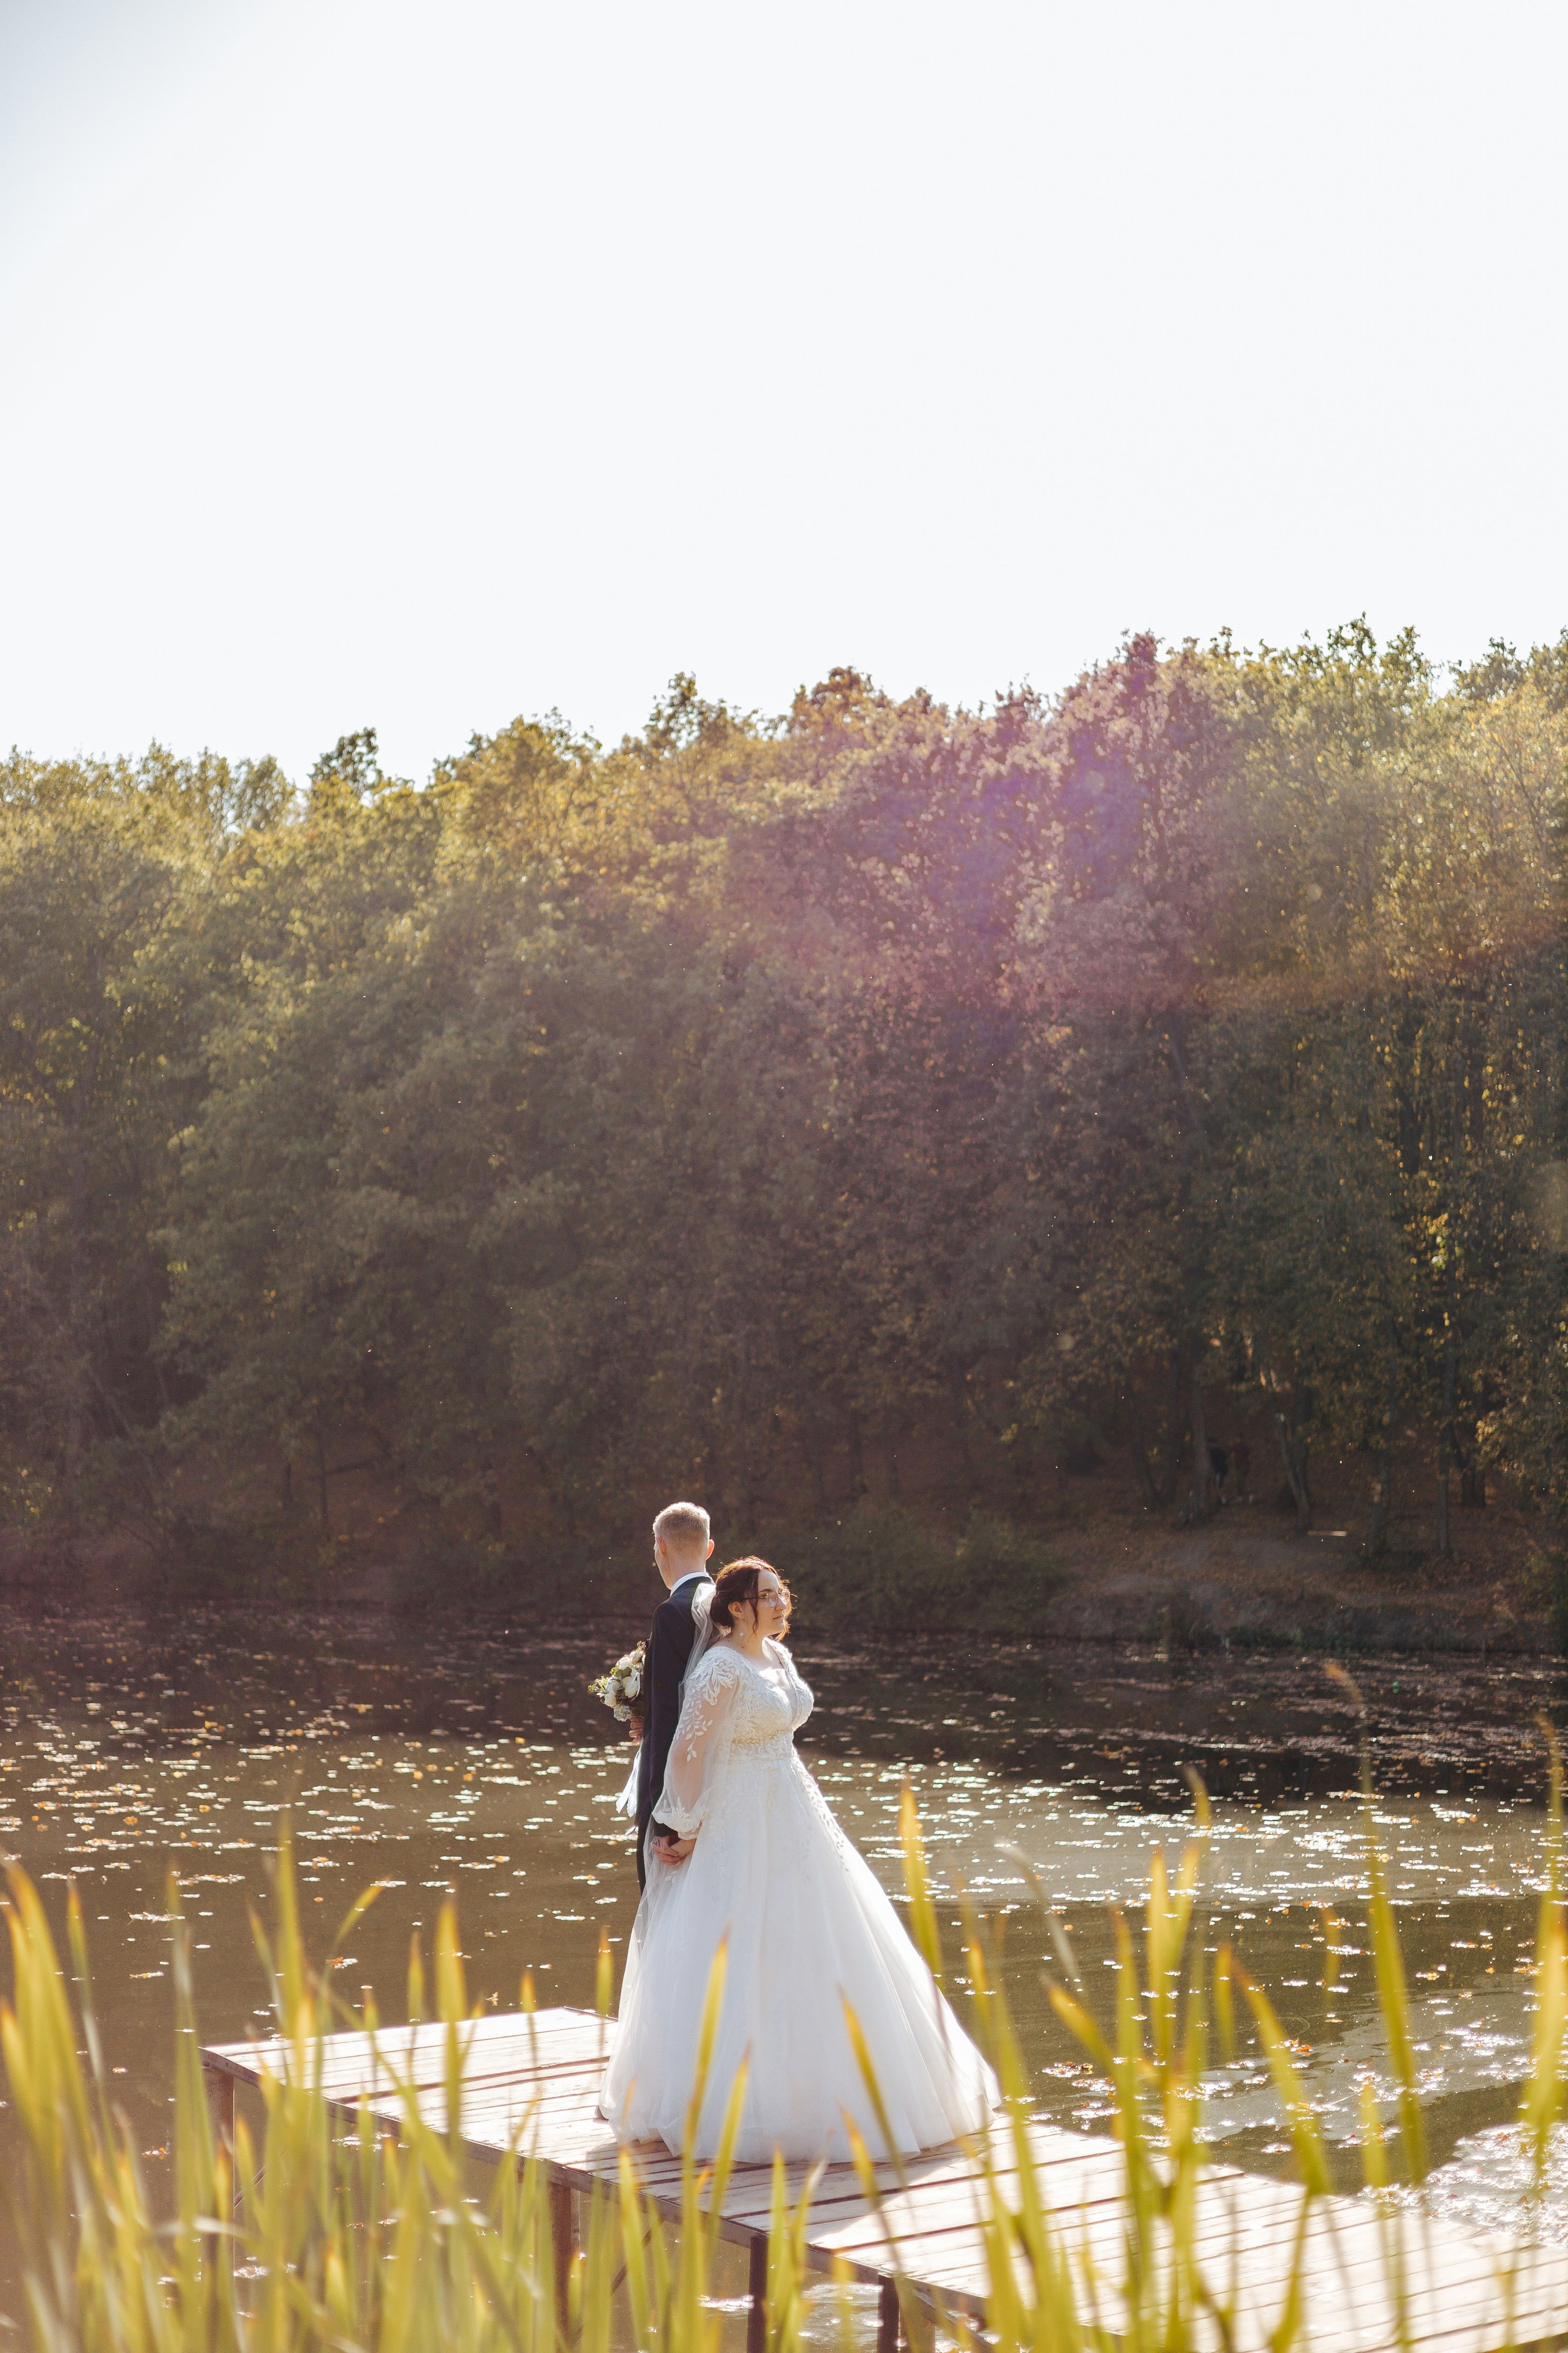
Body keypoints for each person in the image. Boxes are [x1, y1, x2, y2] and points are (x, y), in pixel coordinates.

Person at [601, 1557, 997, 2162]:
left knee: (821, 1941)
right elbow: (686, 1753)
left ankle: (836, 2089)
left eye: (782, 1591)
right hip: (738, 1815)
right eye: (769, 1594)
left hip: (793, 1808)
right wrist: (683, 1824)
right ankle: (734, 2101)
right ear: (736, 1607)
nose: (783, 1602)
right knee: (736, 1944)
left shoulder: (776, 1658)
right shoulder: (720, 1668)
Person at [635, 1501, 715, 1890]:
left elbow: (669, 1717)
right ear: (710, 1549)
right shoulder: (734, 1607)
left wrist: (664, 1818)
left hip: (679, 1800)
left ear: (660, 1547)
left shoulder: (673, 1612)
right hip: (724, 1785)